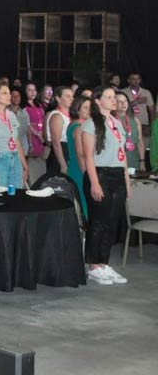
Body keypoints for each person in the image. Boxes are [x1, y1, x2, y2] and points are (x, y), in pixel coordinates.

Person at [81, 86, 131, 285]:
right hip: (100, 174)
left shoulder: (117, 123)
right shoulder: (91, 124)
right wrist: (95, 182)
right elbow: (88, 156)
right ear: (98, 101)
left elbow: (122, 154)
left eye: (114, 97)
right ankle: (93, 266)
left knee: (111, 222)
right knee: (99, 221)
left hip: (117, 174)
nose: (114, 100)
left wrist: (126, 180)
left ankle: (104, 263)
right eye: (108, 97)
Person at [66, 95, 93, 219]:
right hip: (79, 168)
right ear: (77, 109)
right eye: (85, 108)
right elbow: (80, 153)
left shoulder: (75, 125)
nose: (89, 110)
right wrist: (87, 174)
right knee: (84, 201)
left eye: (90, 108)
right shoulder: (78, 128)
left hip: (75, 165)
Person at [46, 87, 74, 177]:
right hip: (61, 153)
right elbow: (56, 143)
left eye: (72, 96)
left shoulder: (71, 115)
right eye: (67, 96)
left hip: (69, 150)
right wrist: (63, 164)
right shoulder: (57, 116)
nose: (71, 99)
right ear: (58, 98)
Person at [115, 91, 146, 172]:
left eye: (125, 101)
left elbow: (140, 142)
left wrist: (142, 161)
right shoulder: (111, 121)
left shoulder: (135, 120)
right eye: (119, 101)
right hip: (117, 164)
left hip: (134, 163)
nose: (123, 104)